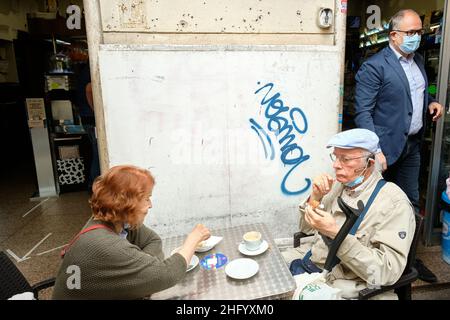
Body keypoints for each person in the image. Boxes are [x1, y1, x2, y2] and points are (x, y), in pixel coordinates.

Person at [353, 9, 443, 283]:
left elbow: (413, 95)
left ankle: (408, 263)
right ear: (394, 36)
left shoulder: (418, 63)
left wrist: (431, 102)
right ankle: (371, 265)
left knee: (410, 204)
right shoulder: (375, 66)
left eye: (420, 32)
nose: (417, 37)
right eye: (411, 32)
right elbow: (363, 113)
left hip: (411, 147)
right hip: (383, 152)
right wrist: (376, 150)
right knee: (376, 208)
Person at [282, 129, 415, 299]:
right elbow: (306, 231)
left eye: (345, 159)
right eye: (335, 157)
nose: (336, 165)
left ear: (370, 163)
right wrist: (315, 198)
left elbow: (387, 272)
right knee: (264, 268)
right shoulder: (340, 183)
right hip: (311, 259)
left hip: (340, 282)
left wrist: (336, 234)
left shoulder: (393, 204)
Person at [52, 165, 210, 299]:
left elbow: (152, 240)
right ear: (128, 203)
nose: (151, 205)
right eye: (147, 198)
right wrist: (192, 240)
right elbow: (167, 275)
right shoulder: (105, 245)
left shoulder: (116, 221)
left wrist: (144, 272)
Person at [77, 63, 100, 192]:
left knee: (96, 152)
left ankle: (94, 185)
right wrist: (97, 113)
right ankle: (95, 186)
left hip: (87, 118)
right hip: (92, 119)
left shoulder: (84, 70)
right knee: (98, 153)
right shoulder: (90, 69)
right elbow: (89, 89)